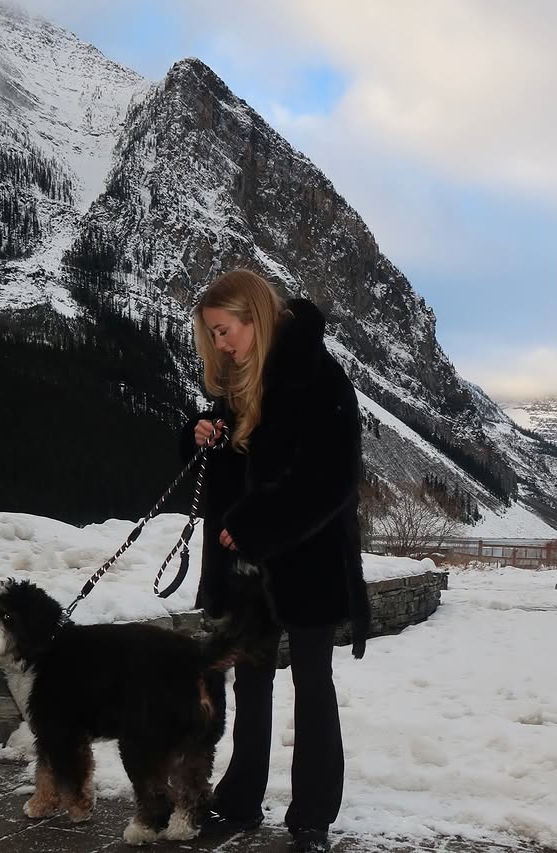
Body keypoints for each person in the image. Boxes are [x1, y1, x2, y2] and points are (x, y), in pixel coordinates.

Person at [181, 269, 370, 853]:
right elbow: (235, 473)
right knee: (252, 684)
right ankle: (239, 801)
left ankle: (312, 817)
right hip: (246, 566)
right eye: (211, 335)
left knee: (313, 684)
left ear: (253, 318)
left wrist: (257, 526)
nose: (219, 344)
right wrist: (198, 433)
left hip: (307, 558)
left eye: (224, 330)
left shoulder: (316, 375)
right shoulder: (239, 381)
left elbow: (334, 478)